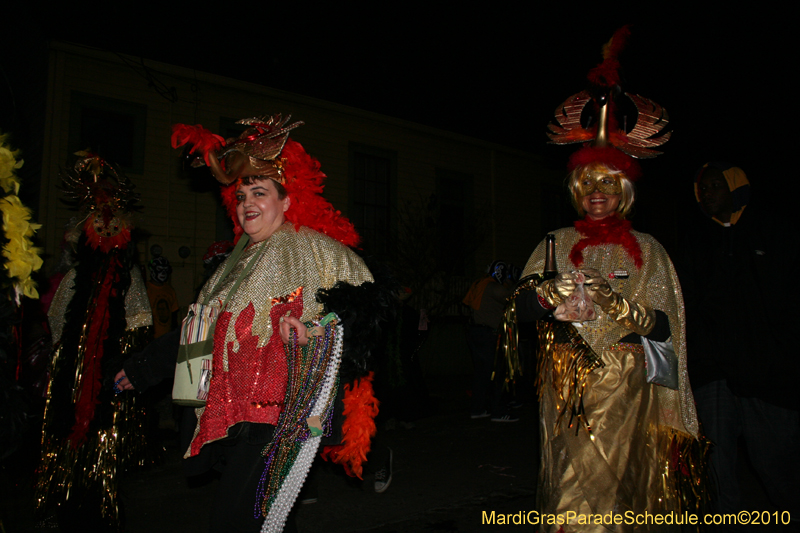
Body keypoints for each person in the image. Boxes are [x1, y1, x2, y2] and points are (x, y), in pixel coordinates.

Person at [115, 116, 383, 533]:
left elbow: (366, 311)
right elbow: (202, 329)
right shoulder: (233, 264)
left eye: (259, 192)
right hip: (231, 415)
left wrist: (314, 330)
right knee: (268, 522)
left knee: (236, 520)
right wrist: (143, 367)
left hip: (279, 419)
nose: (246, 204)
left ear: (287, 200)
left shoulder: (316, 250)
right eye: (241, 196)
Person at [510, 27, 702, 531]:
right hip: (566, 390)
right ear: (576, 189)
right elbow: (519, 308)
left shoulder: (649, 251)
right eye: (588, 183)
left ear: (624, 191)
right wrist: (548, 297)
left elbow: (665, 327)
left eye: (608, 183)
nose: (597, 192)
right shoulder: (553, 241)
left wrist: (619, 307)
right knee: (568, 494)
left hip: (625, 395)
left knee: (620, 496)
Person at [35, 153, 153, 531]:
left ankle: (101, 505)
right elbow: (57, 321)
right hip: (72, 372)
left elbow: (141, 318)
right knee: (68, 435)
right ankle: (67, 501)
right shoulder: (74, 278)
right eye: (97, 226)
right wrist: (63, 359)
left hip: (109, 374)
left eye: (111, 226)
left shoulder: (129, 276)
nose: (105, 231)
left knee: (104, 443)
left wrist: (125, 359)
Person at [679, 162, 800, 527]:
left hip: (768, 375)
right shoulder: (695, 242)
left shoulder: (773, 232)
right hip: (713, 373)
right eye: (702, 188)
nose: (707, 193)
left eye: (715, 185)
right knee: (716, 466)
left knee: (777, 463)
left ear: (735, 187)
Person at [463, 260, 516, 421]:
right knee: (496, 372)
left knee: (482, 373)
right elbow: (511, 297)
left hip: (476, 332)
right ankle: (498, 411)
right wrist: (513, 283)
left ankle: (478, 409)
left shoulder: (480, 284)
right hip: (488, 335)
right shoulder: (492, 287)